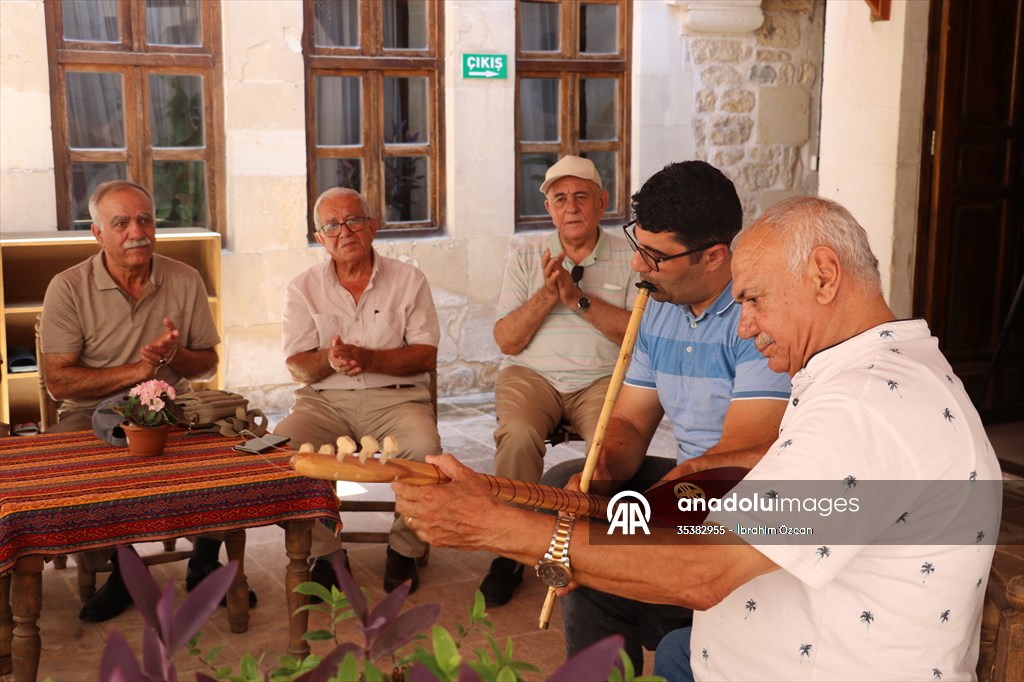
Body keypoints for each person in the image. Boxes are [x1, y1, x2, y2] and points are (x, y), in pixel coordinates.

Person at [393, 196, 1001, 681]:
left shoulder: (868, 404)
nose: (745, 325)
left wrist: (494, 527)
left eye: (754, 299)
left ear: (823, 275)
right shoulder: (876, 378)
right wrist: (547, 504)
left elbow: (707, 572)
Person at [541, 160, 791, 669]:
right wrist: (602, 471)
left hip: (747, 503)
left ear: (716, 255)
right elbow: (630, 423)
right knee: (570, 481)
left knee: (599, 549)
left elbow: (730, 468)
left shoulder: (757, 317)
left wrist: (635, 519)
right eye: (638, 246)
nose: (638, 267)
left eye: (656, 256)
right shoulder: (659, 303)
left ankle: (679, 618)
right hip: (690, 488)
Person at [39, 179, 241, 622]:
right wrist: (137, 371)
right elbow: (59, 382)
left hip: (173, 402)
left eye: (145, 219)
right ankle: (125, 570)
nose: (138, 231)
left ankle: (205, 561)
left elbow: (206, 363)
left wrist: (174, 355)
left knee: (229, 455)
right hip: (88, 411)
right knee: (65, 468)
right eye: (122, 222)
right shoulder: (68, 287)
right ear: (97, 234)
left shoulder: (184, 278)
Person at [483, 155, 639, 606]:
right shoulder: (528, 257)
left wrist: (577, 300)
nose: (571, 207)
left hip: (602, 378)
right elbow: (507, 341)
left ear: (602, 202)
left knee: (610, 451)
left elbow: (638, 334)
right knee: (516, 432)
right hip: (532, 375)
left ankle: (590, 549)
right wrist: (547, 295)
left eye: (581, 196)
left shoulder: (631, 258)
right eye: (560, 198)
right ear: (549, 209)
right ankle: (510, 550)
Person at [274, 187, 441, 594]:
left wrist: (369, 359)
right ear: (319, 237)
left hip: (397, 399)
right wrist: (329, 362)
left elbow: (426, 356)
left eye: (353, 220)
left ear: (373, 226)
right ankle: (328, 553)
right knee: (280, 454)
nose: (343, 231)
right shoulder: (302, 288)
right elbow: (297, 364)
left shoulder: (409, 280)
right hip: (324, 402)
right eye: (331, 225)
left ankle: (404, 549)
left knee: (425, 449)